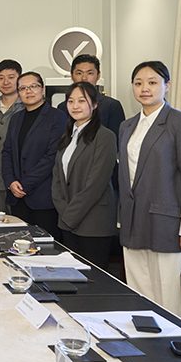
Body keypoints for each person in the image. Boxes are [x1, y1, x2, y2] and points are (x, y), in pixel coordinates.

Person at [118, 61, 181, 321]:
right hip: (134, 222)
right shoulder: (127, 126)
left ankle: (179, 345)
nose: (144, 88)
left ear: (167, 86)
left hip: (169, 225)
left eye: (152, 82)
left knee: (170, 299)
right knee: (139, 296)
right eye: (138, 83)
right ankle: (146, 343)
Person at [51, 82, 117, 270]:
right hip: (68, 223)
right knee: (71, 276)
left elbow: (96, 184)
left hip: (94, 224)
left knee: (94, 279)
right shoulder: (67, 136)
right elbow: (57, 179)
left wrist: (69, 216)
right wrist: (65, 214)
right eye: (70, 101)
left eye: (81, 100)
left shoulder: (105, 136)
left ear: (94, 104)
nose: (75, 106)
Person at [2, 71, 67, 241]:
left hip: (43, 198)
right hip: (17, 197)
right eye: (23, 88)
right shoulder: (16, 118)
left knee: (46, 247)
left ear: (43, 89)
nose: (28, 91)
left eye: (33, 86)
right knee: (18, 245)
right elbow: (7, 151)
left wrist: (25, 184)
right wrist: (10, 181)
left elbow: (52, 155)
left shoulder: (57, 117)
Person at [0, 59, 25, 211]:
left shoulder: (26, 106)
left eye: (11, 77)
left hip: (18, 179)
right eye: (0, 78)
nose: (6, 82)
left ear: (19, 78)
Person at [56, 54, 125, 139]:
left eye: (90, 73)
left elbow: (117, 140)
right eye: (79, 73)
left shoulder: (111, 106)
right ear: (72, 76)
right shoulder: (62, 107)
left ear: (98, 75)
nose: (84, 78)